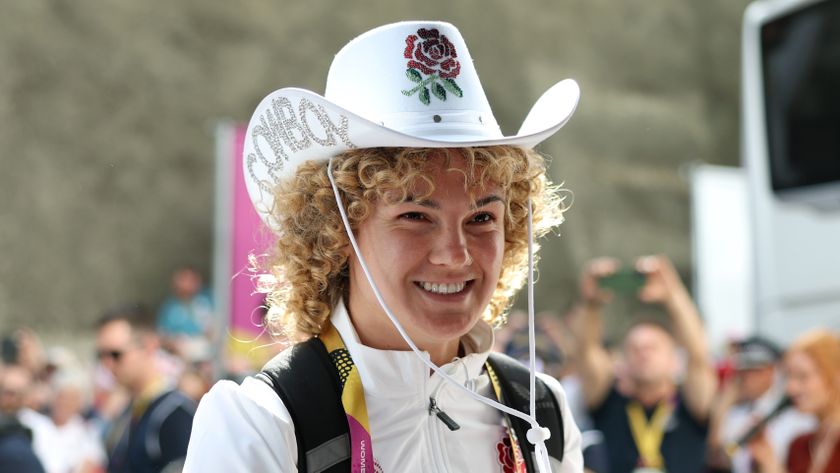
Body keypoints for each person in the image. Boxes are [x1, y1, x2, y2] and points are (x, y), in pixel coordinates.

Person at [185, 20, 583, 472]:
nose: (455, 254)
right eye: (415, 216)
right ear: (338, 231)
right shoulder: (265, 423)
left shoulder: (540, 412)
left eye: (481, 218)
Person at [575, 256, 718, 473]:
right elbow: (587, 350)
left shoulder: (690, 404)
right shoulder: (608, 401)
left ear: (674, 359)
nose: (643, 354)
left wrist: (673, 294)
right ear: (621, 361)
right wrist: (591, 303)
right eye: (635, 348)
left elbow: (699, 356)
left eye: (653, 347)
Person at [96, 303, 196, 473]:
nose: (107, 364)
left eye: (115, 354)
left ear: (150, 346)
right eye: (101, 355)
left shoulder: (174, 414)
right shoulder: (131, 409)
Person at [706, 335, 815, 473]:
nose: (745, 377)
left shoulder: (795, 412)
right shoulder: (736, 412)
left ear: (771, 371)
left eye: (754, 370)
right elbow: (717, 459)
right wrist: (724, 403)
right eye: (742, 371)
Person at [749, 329, 840, 473]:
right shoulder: (799, 446)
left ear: (835, 376)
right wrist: (768, 462)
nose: (790, 388)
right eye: (788, 377)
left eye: (802, 376)